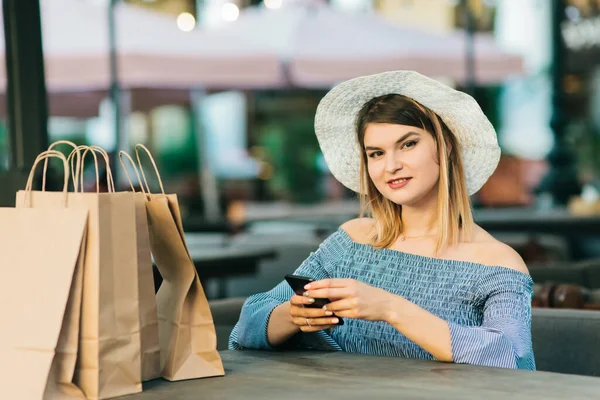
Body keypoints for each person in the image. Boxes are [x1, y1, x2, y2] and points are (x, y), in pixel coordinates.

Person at [228, 70, 535, 370]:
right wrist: (296, 315)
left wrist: (390, 308)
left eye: (408, 144)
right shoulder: (351, 241)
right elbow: (249, 324)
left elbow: (512, 360)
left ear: (446, 147)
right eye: (376, 153)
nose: (391, 166)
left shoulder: (497, 263)